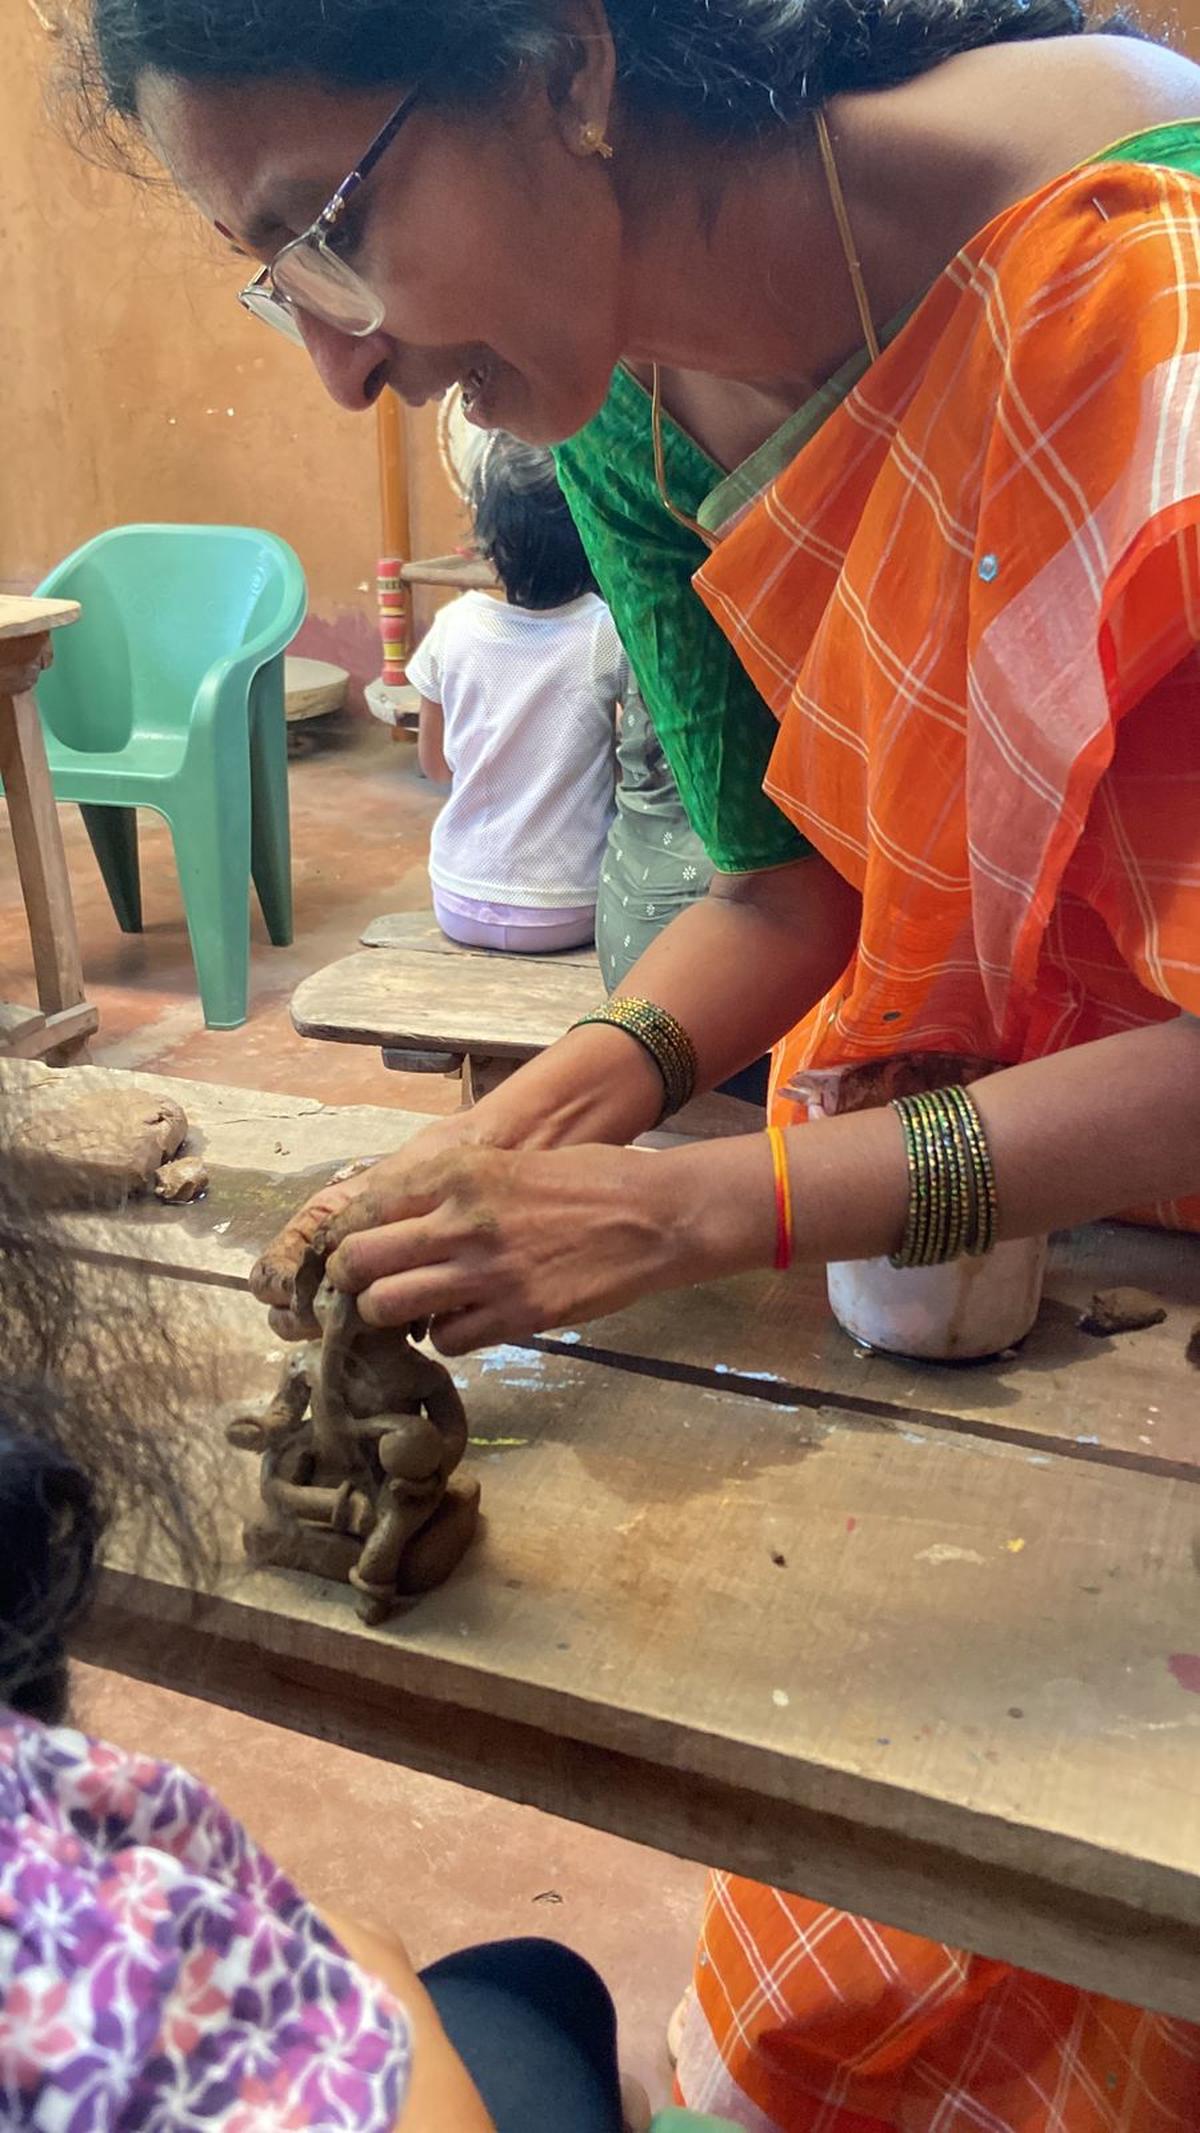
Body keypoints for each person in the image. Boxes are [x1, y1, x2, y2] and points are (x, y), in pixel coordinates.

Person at [79, 0, 1200, 2126]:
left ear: (570, 67)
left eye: (333, 224)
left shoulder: (1142, 294)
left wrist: (698, 1203)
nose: (338, 359)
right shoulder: (612, 410)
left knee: (1112, 1883)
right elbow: (791, 887)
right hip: (944, 1216)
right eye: (275, 269)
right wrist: (563, 1104)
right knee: (849, 1909)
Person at [408, 433, 621, 954]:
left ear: (488, 540)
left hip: (457, 900)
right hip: (571, 908)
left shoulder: (452, 626)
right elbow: (626, 768)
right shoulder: (604, 633)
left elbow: (435, 765)